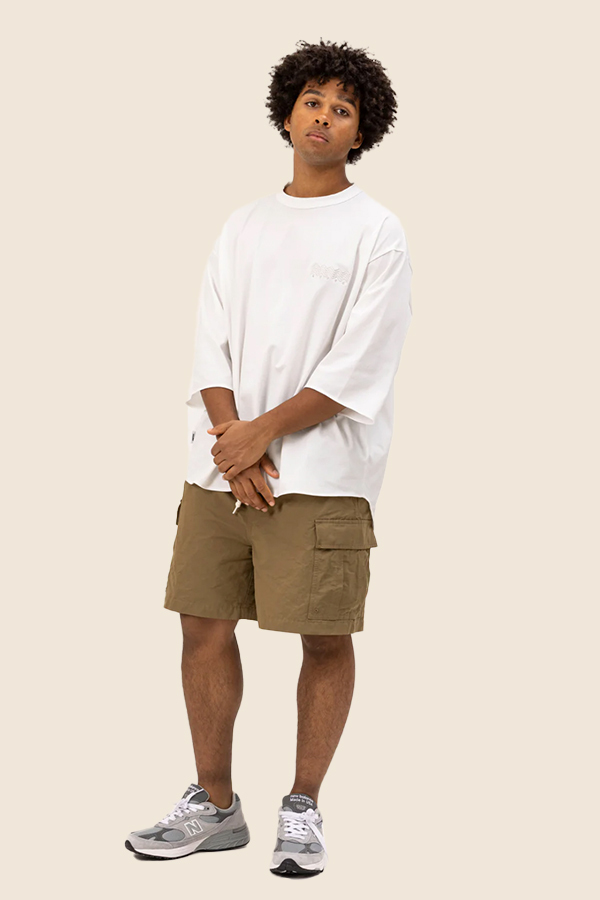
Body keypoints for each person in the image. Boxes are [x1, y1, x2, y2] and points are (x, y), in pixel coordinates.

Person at [125, 38, 413, 877]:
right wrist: (233, 442)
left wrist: (261, 436)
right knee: (202, 626)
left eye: (343, 109)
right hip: (220, 469)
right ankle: (215, 804)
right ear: (287, 112)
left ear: (361, 131)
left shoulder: (377, 232)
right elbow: (209, 343)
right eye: (312, 100)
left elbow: (359, 363)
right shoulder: (242, 223)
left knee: (323, 637)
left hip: (322, 475)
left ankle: (303, 806)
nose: (324, 117)